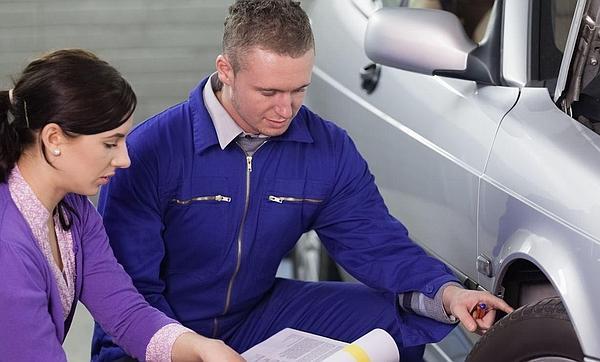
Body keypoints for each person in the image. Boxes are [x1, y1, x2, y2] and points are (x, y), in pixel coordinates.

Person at [91, 1, 513, 361]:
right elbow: (130, 291)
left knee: (399, 315)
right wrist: (191, 348)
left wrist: (448, 294)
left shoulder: (325, 148)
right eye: (269, 92)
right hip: (159, 330)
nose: (286, 109)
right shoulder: (151, 151)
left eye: (299, 90)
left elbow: (375, 241)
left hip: (252, 315)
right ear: (226, 70)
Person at [0, 49, 244, 362]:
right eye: (109, 143)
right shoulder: (8, 247)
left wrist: (202, 348)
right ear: (54, 139)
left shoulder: (73, 211)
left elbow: (126, 314)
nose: (125, 159)